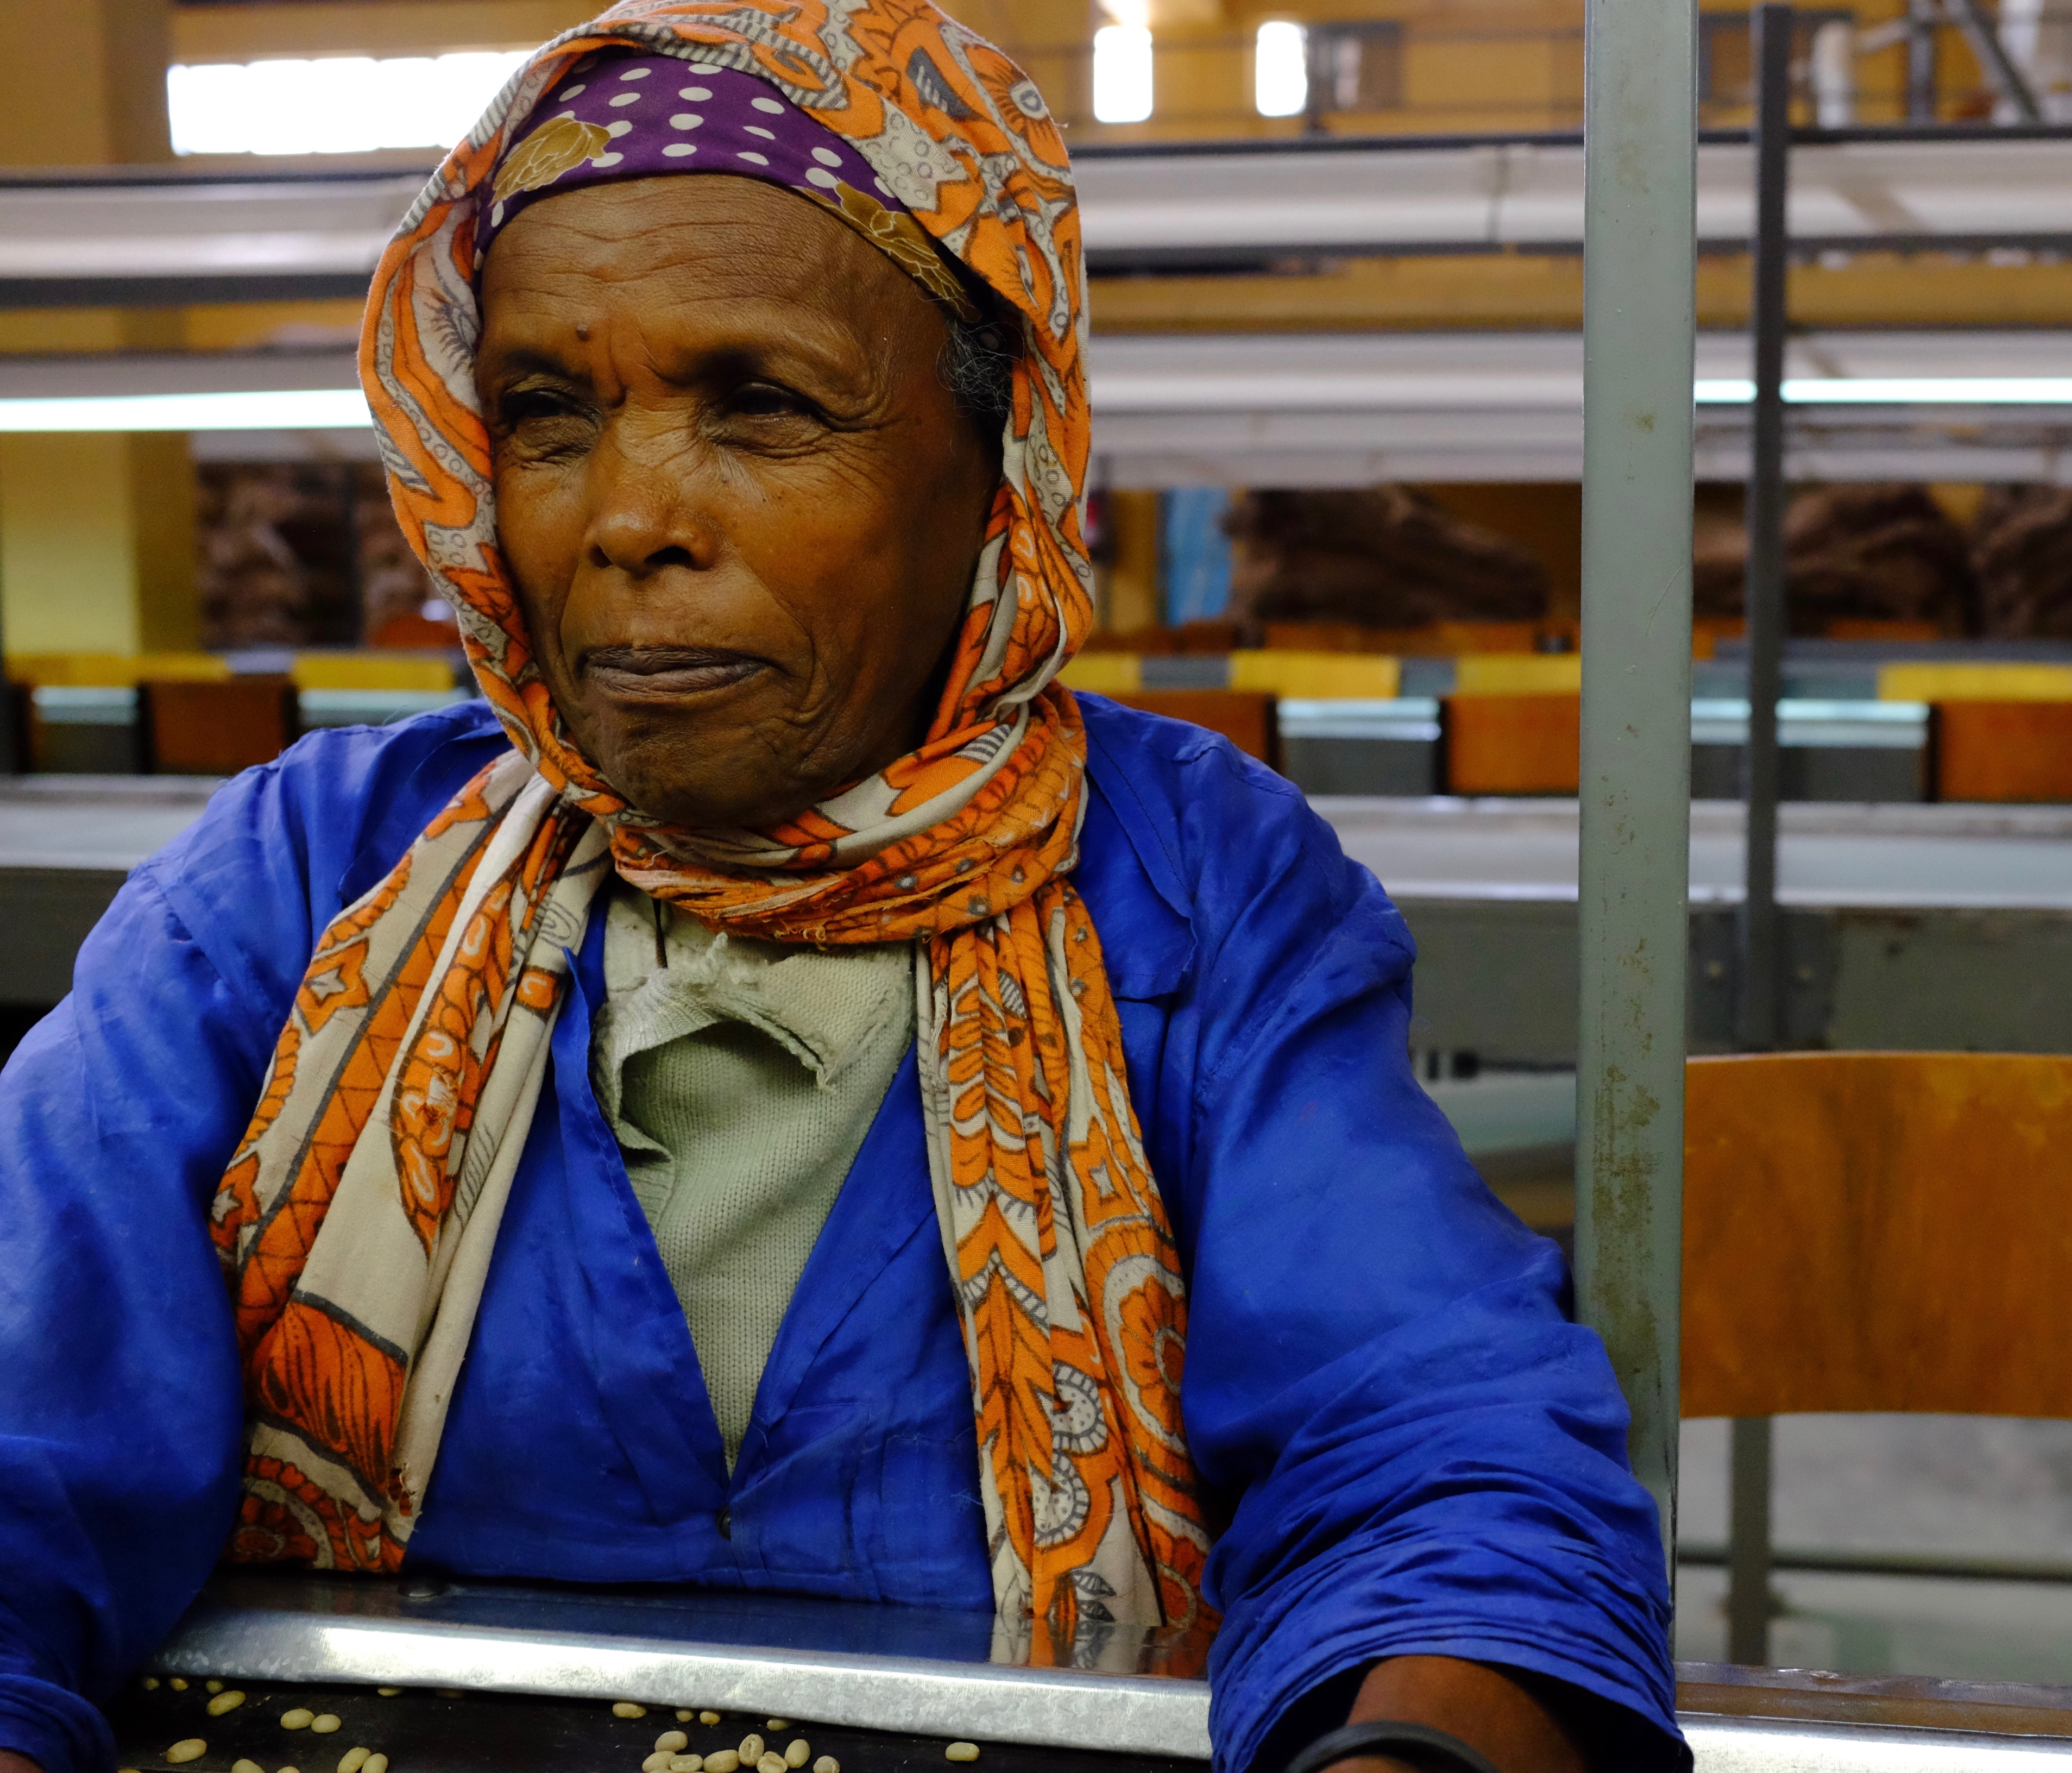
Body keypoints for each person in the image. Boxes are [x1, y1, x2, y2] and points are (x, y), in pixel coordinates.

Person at [0, 6, 1680, 1771]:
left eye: (763, 408)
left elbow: (1429, 1454)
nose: (626, 520)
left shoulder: (1191, 893)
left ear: (996, 473)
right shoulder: (303, 888)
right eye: (548, 415)